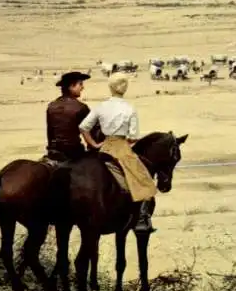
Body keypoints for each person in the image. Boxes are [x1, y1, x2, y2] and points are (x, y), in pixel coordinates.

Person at [79, 73, 157, 233]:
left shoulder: (101, 106)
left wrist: (93, 144)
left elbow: (83, 127)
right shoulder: (129, 108)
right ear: (125, 88)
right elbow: (133, 136)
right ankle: (142, 218)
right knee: (145, 181)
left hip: (103, 147)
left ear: (110, 87)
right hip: (121, 148)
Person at [44, 71, 100, 166]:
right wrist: (95, 147)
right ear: (71, 86)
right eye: (80, 84)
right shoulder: (80, 107)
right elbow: (92, 132)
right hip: (73, 152)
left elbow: (50, 132)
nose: (82, 87)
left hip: (53, 152)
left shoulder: (51, 106)